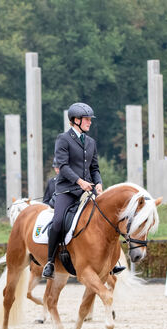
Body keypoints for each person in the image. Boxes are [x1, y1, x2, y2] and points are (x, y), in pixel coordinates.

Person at [42, 102, 103, 279]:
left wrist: (98, 182)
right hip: (67, 191)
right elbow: (63, 165)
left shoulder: (91, 142)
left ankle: (109, 262)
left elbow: (95, 168)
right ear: (76, 120)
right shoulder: (63, 139)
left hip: (88, 191)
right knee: (58, 222)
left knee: (104, 219)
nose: (89, 122)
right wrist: (79, 181)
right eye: (86, 119)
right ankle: (50, 262)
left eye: (89, 120)